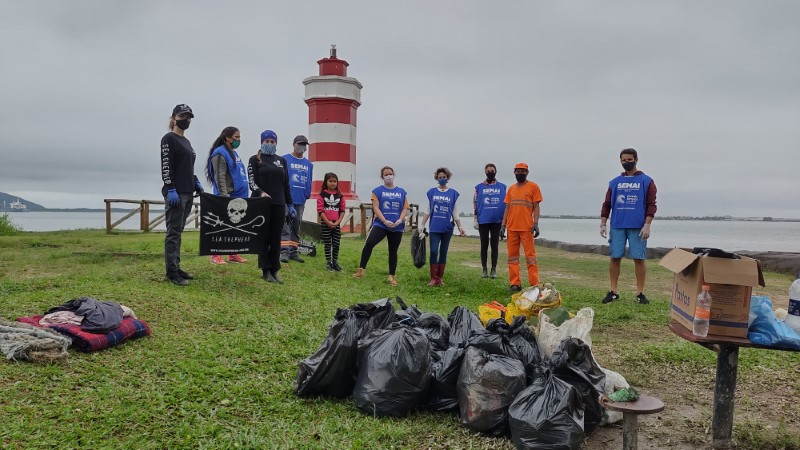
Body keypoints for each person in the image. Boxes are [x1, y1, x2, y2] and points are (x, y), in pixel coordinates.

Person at [600, 148, 657, 305]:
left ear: (636, 159)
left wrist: (647, 225)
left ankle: (640, 293)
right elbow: (607, 204)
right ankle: (613, 291)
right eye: (624, 160)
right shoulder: (614, 182)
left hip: (637, 227)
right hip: (618, 225)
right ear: (620, 161)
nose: (627, 162)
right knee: (615, 258)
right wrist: (603, 223)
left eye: (629, 159)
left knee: (639, 258)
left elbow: (651, 205)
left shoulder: (647, 181)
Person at [161, 104, 203, 286]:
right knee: (173, 232)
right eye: (182, 116)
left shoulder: (187, 142)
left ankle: (177, 266)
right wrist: (170, 187)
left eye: (188, 117)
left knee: (179, 232)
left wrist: (195, 181)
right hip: (176, 193)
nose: (186, 119)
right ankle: (171, 272)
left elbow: (188, 166)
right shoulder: (168, 139)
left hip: (188, 191)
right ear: (174, 118)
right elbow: (166, 165)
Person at [247, 130, 294, 284]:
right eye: (266, 141)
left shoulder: (282, 161)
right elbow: (252, 182)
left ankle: (274, 269)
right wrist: (261, 193)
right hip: (262, 203)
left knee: (276, 239)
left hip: (279, 203)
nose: (269, 144)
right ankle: (265, 269)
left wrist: (290, 203)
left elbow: (286, 184)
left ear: (276, 143)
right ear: (262, 142)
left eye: (272, 142)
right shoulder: (255, 160)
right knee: (264, 238)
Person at [353, 166, 409, 286]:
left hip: (397, 226)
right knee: (369, 243)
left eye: (390, 174)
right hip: (381, 224)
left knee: (393, 251)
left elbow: (405, 208)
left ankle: (391, 276)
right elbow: (376, 208)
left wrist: (400, 220)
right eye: (386, 174)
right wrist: (384, 221)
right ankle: (361, 269)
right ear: (382, 177)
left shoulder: (401, 192)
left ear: (394, 175)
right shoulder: (377, 191)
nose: (389, 176)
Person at [206, 126, 249, 265]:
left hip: (239, 196)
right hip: (226, 196)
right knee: (221, 226)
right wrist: (224, 196)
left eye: (239, 137)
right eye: (236, 137)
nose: (238, 140)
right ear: (227, 138)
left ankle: (233, 253)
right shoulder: (220, 153)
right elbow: (219, 177)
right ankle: (215, 255)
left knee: (236, 225)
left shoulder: (233, 153)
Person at [419, 167, 465, 287]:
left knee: (443, 252)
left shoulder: (453, 193)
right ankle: (433, 277)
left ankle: (440, 278)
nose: (442, 179)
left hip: (447, 228)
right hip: (434, 227)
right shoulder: (432, 192)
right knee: (434, 251)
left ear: (447, 177)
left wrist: (460, 227)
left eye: (444, 177)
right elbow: (428, 210)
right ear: (437, 178)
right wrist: (422, 224)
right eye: (440, 177)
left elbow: (454, 212)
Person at [501, 162, 543, 292]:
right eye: (518, 171)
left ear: (527, 173)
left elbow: (536, 206)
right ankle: (515, 283)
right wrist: (503, 225)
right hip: (512, 228)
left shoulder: (533, 187)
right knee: (512, 257)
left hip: (527, 228)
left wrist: (535, 223)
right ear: (514, 172)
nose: (520, 173)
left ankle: (534, 283)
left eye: (522, 171)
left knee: (530, 257)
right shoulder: (511, 189)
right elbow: (507, 207)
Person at [280, 135, 313, 263]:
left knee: (296, 225)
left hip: (300, 200)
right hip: (286, 198)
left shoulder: (309, 164)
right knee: (284, 225)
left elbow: (309, 180)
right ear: (294, 144)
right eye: (300, 144)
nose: (302, 147)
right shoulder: (284, 159)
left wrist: (306, 194)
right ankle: (283, 251)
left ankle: (293, 251)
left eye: (304, 145)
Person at [473, 163, 507, 279]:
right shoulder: (479, 187)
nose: (490, 172)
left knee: (494, 245)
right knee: (484, 245)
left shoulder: (502, 187)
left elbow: (507, 204)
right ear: (485, 172)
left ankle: (493, 269)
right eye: (488, 171)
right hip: (483, 220)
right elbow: (475, 203)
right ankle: (484, 268)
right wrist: (475, 219)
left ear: (496, 172)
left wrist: (504, 223)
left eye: (492, 170)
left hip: (497, 221)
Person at [317, 172, 346, 272]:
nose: (333, 183)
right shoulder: (322, 195)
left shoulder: (340, 196)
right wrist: (327, 222)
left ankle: (335, 262)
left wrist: (338, 222)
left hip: (336, 223)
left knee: (336, 243)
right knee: (328, 243)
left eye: (335, 181)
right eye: (330, 181)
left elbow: (342, 210)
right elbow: (320, 210)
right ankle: (328, 262)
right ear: (326, 182)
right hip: (326, 223)